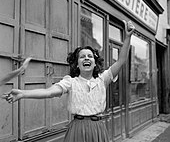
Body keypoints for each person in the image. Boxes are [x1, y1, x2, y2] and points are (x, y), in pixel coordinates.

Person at [2, 20, 135, 142]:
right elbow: (48, 92)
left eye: (90, 56)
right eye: (82, 57)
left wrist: (128, 37)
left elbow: (121, 60)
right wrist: (23, 94)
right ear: (77, 64)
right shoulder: (70, 82)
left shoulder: (103, 78)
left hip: (98, 129)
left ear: (95, 63)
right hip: (77, 129)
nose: (86, 58)